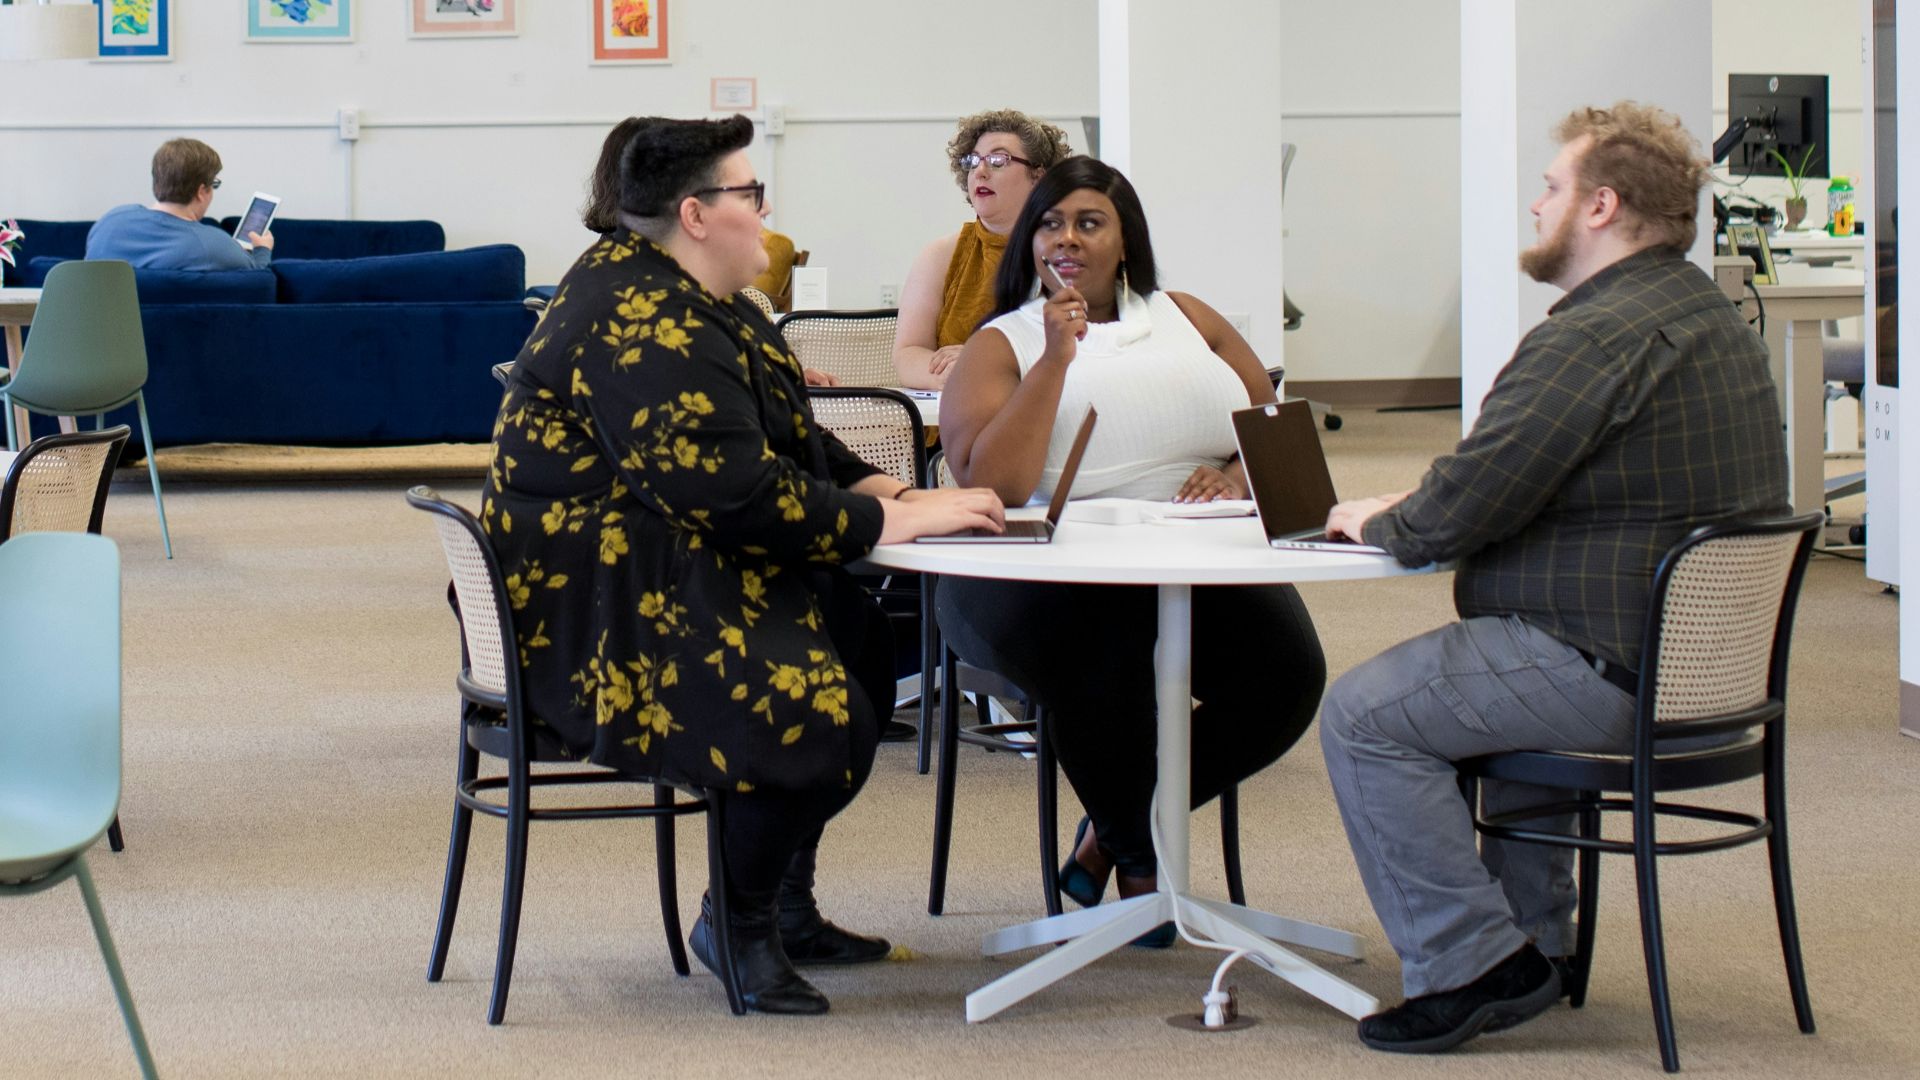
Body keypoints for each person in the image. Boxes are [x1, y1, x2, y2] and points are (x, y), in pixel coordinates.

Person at [484, 115, 1004, 1014]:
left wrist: (893, 491)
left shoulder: (697, 300)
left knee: (860, 640)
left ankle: (782, 906)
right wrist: (891, 522)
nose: (767, 213)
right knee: (807, 697)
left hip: (651, 558)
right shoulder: (641, 321)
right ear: (695, 213)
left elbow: (784, 436)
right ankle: (738, 920)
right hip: (592, 605)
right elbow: (733, 494)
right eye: (750, 195)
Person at [1316, 102, 1789, 1055]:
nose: (1537, 206)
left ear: (1601, 206)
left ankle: (1473, 960)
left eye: (1552, 188)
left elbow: (1448, 521)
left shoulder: (1591, 338)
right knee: (1475, 677)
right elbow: (1545, 473)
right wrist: (1440, 491)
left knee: (1365, 715)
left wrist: (1380, 514)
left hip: (1604, 666)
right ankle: (1535, 941)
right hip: (1703, 673)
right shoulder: (1705, 313)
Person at [935, 156, 1328, 942]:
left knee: (1287, 680)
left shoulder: (1188, 316)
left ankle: (1113, 831)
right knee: (1104, 669)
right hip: (1036, 569)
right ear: (1030, 241)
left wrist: (1230, 475)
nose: (1067, 240)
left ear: (1125, 240)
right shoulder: (1001, 341)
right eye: (1050, 223)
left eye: (1089, 222)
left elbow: (1277, 437)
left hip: (1187, 556)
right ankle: (1141, 860)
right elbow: (994, 483)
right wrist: (1054, 361)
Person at [582, 119, 837, 387]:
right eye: (746, 194)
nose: (765, 209)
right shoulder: (639, 301)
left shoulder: (673, 281)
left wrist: (782, 381)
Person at [891, 109, 1073, 390]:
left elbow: (1086, 348)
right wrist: (960, 375)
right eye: (973, 161)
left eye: (998, 160)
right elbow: (907, 354)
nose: (980, 171)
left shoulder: (1067, 251)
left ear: (1038, 176)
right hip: (953, 422)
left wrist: (985, 362)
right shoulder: (940, 255)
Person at [85, 138, 273, 271]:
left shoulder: (109, 223)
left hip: (106, 327)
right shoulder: (214, 246)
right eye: (213, 185)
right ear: (201, 191)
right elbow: (257, 278)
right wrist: (262, 250)